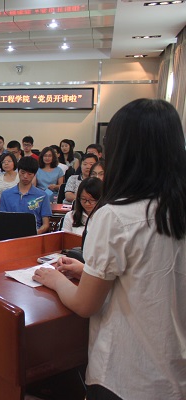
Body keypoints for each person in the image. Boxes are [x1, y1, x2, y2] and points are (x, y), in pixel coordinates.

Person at [33, 99, 186, 400]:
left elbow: (85, 304)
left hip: (127, 374)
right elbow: (151, 276)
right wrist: (88, 271)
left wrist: (55, 279)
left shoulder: (116, 215)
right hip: (175, 371)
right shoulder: (175, 209)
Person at [0, 157, 51, 234]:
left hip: (33, 234)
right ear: (18, 171)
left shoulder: (42, 196)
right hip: (11, 234)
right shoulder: (6, 194)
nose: (25, 176)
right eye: (22, 172)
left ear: (34, 175)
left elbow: (46, 224)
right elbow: (2, 220)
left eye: (29, 174)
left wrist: (35, 233)